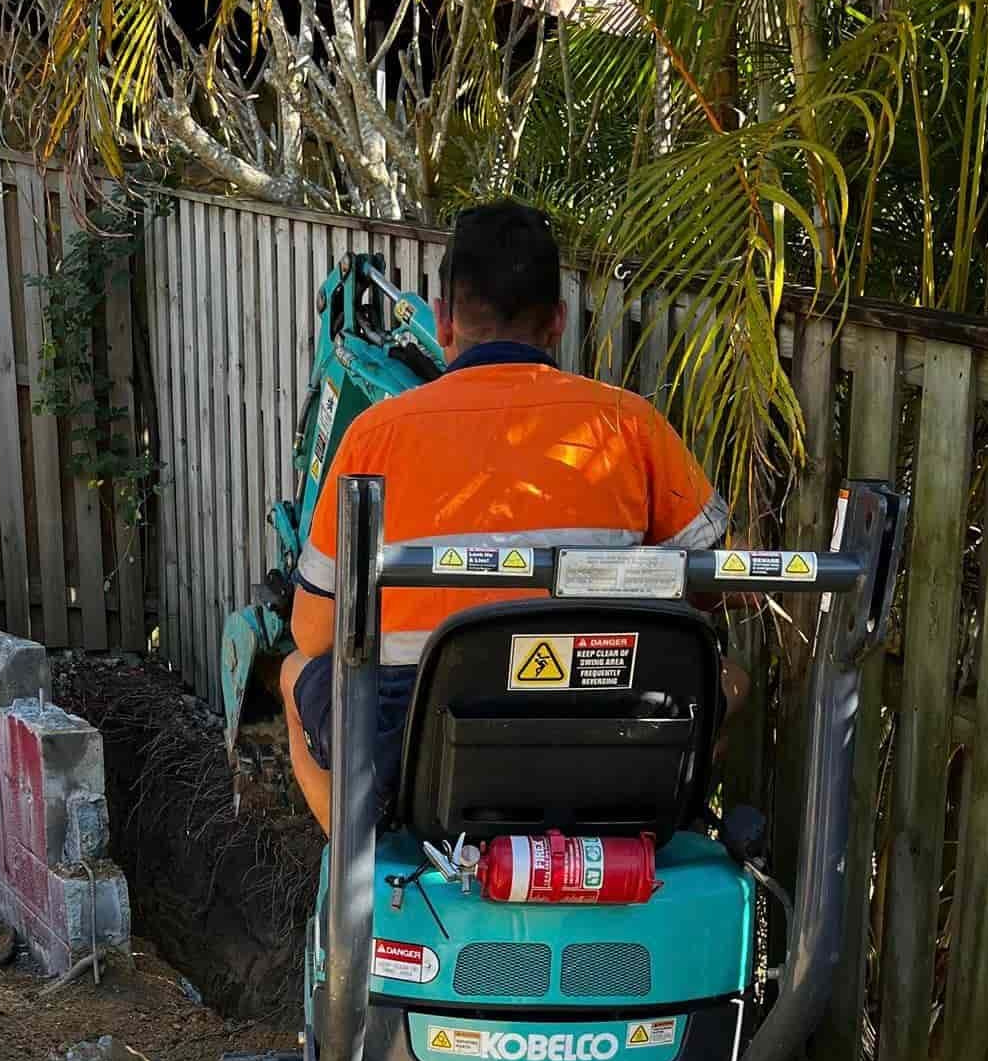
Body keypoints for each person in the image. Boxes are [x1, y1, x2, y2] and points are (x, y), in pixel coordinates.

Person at [281, 198, 747, 834]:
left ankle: (361, 869)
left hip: (421, 750)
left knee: (290, 672)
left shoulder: (375, 437)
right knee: (730, 679)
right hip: (608, 736)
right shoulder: (628, 425)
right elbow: (727, 581)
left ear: (442, 320)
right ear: (557, 322)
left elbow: (313, 635)